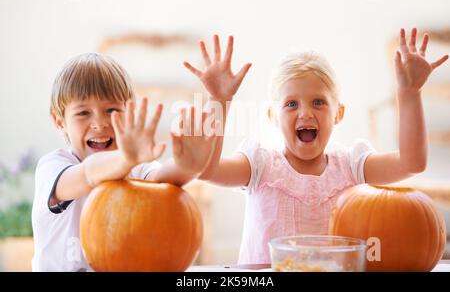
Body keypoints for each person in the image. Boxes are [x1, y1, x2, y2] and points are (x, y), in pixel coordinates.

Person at [184, 29, 449, 264]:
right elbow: (207, 169)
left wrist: (410, 94)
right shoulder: (259, 166)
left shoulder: (353, 166)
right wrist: (218, 100)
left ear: (338, 113)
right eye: (291, 104)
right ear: (272, 116)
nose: (305, 114)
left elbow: (412, 162)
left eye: (318, 102)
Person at [32, 52, 218, 271]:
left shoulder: (135, 167)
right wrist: (126, 158)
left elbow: (163, 180)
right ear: (59, 121)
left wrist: (189, 166)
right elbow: (86, 174)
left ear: (130, 112)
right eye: (83, 113)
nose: (99, 123)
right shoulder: (54, 167)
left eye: (111, 110)